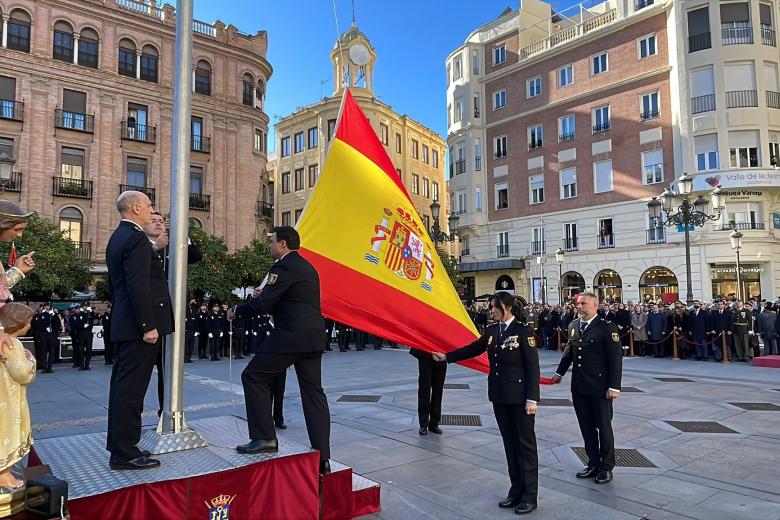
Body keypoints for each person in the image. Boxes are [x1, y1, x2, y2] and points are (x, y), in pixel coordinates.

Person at [229, 226, 331, 475]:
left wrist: (237, 310)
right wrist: (269, 295)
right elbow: (290, 299)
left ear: (283, 245)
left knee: (253, 376)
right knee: (314, 394)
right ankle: (323, 458)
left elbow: (265, 304)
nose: (269, 246)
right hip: (313, 337)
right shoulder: (307, 267)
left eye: (272, 242)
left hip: (291, 336)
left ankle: (264, 437)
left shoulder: (283, 266)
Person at [433, 292, 540, 515]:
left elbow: (532, 367)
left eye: (494, 307)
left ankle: (530, 496)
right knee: (510, 445)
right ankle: (516, 490)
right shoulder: (492, 332)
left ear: (507, 307)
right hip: (499, 395)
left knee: (525, 446)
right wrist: (447, 356)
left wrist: (532, 398)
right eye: (491, 307)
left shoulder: (523, 332)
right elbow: (473, 348)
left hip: (520, 398)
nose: (491, 310)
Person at [105, 191, 173, 470]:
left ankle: (125, 445)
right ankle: (124, 453)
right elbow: (138, 286)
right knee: (131, 391)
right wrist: (148, 325)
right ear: (135, 208)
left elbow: (118, 285)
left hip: (126, 323)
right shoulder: (134, 238)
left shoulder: (118, 236)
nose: (151, 210)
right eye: (148, 206)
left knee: (125, 389)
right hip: (138, 328)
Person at [552, 292, 622, 485]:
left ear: (595, 305)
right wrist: (560, 373)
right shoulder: (574, 325)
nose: (579, 306)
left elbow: (615, 360)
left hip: (600, 387)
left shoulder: (607, 327)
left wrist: (614, 386)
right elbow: (570, 351)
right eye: (578, 303)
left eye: (583, 303)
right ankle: (593, 462)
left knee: (604, 428)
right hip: (580, 386)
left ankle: (606, 467)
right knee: (586, 427)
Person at [0, 303, 36, 489]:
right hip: (9, 399)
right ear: (18, 323)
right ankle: (3, 474)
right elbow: (23, 373)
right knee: (7, 432)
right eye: (28, 322)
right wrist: (31, 360)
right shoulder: (12, 343)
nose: (29, 325)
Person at [409, 348, 446, 436]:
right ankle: (423, 424)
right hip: (425, 356)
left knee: (438, 390)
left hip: (442, 356)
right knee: (424, 390)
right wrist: (430, 352)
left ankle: (434, 423)